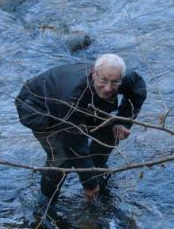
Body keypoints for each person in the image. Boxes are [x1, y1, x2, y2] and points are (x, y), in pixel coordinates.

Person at [15, 54, 146, 202]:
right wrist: (88, 184)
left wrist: (123, 121)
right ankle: (45, 202)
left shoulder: (122, 77)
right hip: (37, 107)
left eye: (114, 82)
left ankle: (97, 169)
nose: (108, 88)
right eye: (103, 80)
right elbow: (75, 146)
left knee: (111, 129)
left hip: (80, 104)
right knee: (62, 157)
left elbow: (138, 86)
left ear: (121, 79)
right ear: (94, 73)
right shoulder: (72, 98)